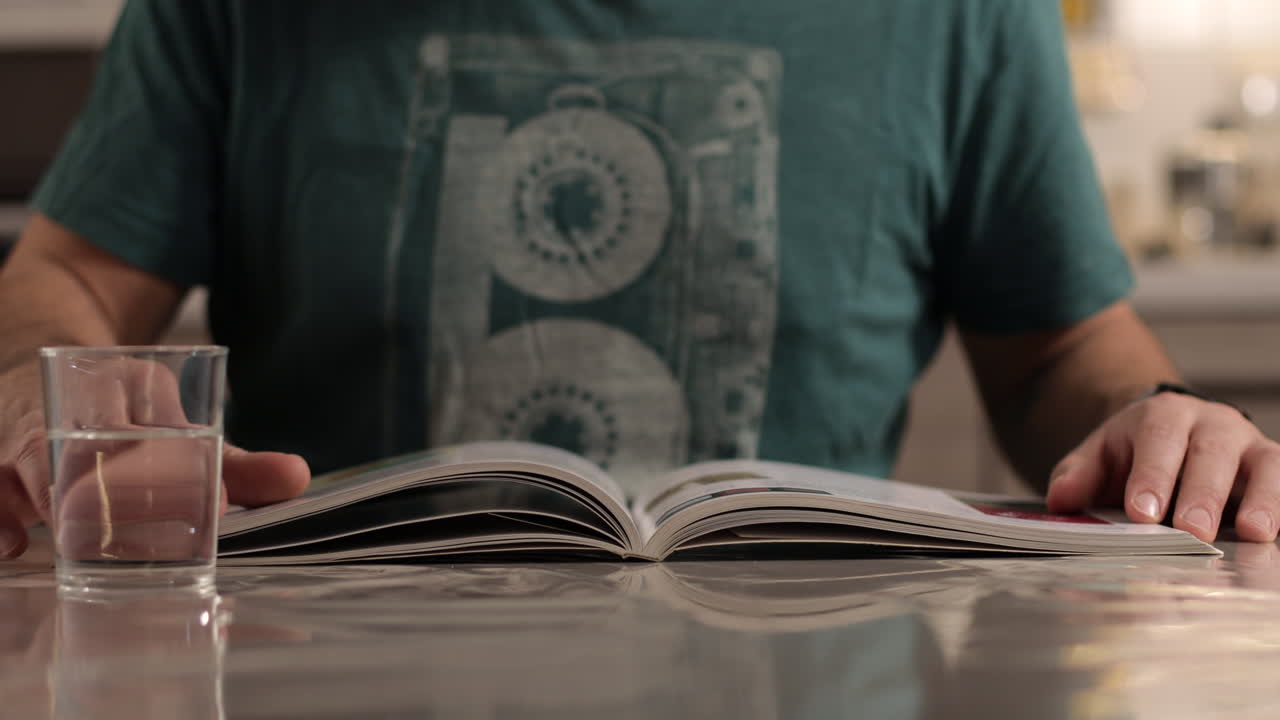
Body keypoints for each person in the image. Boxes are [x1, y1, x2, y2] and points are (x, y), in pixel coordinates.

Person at [1, 1, 1277, 560]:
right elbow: (71, 277)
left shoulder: (956, 10)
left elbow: (1059, 350)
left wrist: (1152, 421)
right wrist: (36, 391)